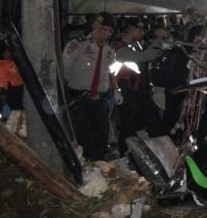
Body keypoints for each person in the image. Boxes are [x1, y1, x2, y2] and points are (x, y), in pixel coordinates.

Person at [62, 13, 117, 161]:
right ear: (94, 28)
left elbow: (110, 72)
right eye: (103, 29)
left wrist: (115, 90)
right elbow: (65, 68)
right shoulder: (78, 45)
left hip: (100, 99)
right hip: (80, 97)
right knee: (82, 134)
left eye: (109, 31)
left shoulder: (109, 51)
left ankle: (98, 163)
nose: (105, 33)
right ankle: (84, 163)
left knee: (101, 134)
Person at [111, 19, 163, 152]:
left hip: (139, 91)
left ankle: (155, 151)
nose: (142, 33)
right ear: (130, 30)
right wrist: (158, 41)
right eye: (139, 30)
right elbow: (144, 57)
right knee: (129, 124)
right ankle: (124, 152)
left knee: (150, 120)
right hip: (128, 92)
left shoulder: (136, 46)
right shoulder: (120, 48)